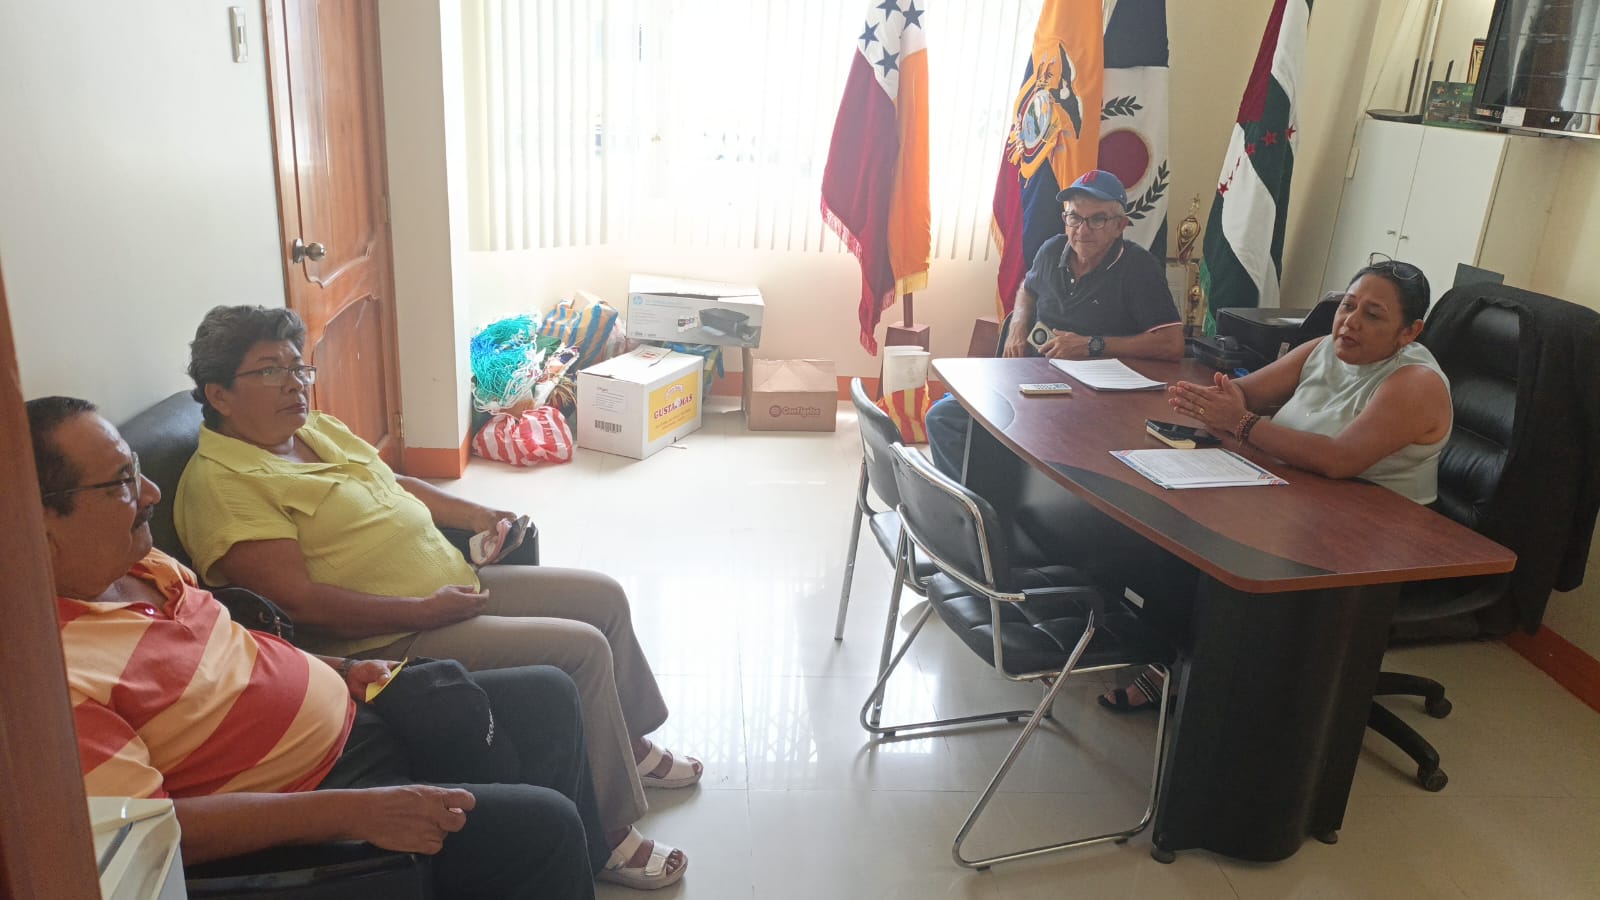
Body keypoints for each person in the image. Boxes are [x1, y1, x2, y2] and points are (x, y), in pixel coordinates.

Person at [172, 306, 690, 889]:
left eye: (298, 368)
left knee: (603, 598)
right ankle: (608, 834)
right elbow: (302, 605)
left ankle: (627, 743)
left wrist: (479, 515)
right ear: (219, 393)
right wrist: (426, 610)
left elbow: (394, 482)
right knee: (581, 648)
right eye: (270, 371)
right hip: (387, 635)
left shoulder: (312, 430)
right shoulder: (223, 484)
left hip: (450, 587)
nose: (294, 384)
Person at [29, 396, 605, 900]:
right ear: (37, 522)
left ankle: (587, 865)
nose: (151, 491)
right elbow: (153, 836)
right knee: (544, 827)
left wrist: (342, 668)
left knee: (548, 696)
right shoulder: (53, 681)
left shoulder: (143, 565)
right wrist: (353, 812)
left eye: (136, 468)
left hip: (358, 715)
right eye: (120, 482)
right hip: (314, 801)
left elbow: (235, 648)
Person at [1099, 256, 1452, 712]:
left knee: (1222, 551)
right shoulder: (1324, 347)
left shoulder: (1416, 383)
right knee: (1178, 519)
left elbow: (1339, 459)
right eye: (1348, 305)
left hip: (1376, 537)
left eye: (1373, 315)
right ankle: (1173, 655)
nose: (1350, 322)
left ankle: (1203, 679)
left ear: (1410, 332)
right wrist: (1222, 400)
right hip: (1306, 498)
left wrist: (1242, 423)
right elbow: (1248, 392)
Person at [925, 169, 1184, 478]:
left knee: (1038, 445)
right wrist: (1018, 325)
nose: (1082, 230)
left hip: (1087, 397)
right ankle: (973, 503)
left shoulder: (1139, 268)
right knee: (943, 418)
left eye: (1097, 219)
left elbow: (1172, 343)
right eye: (1075, 217)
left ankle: (1003, 497)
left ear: (1120, 226)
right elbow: (1028, 289)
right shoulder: (1052, 250)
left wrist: (1093, 345)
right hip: (1028, 377)